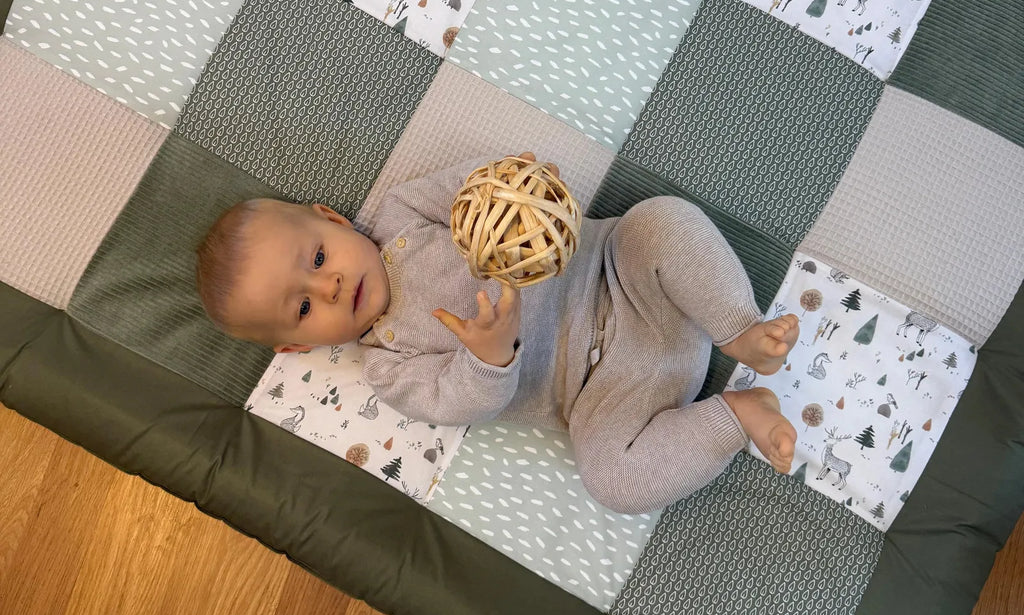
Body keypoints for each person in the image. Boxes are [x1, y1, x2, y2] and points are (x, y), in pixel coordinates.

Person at [196, 154, 798, 514]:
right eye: (302, 307)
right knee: (611, 481)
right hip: (607, 392)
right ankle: (736, 415)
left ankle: (739, 329)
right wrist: (487, 357)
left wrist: (528, 183)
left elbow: (483, 187)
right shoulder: (387, 365)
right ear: (297, 346)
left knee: (659, 220)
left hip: (620, 274)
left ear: (331, 218)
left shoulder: (407, 210)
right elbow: (462, 404)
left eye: (319, 255)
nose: (328, 286)